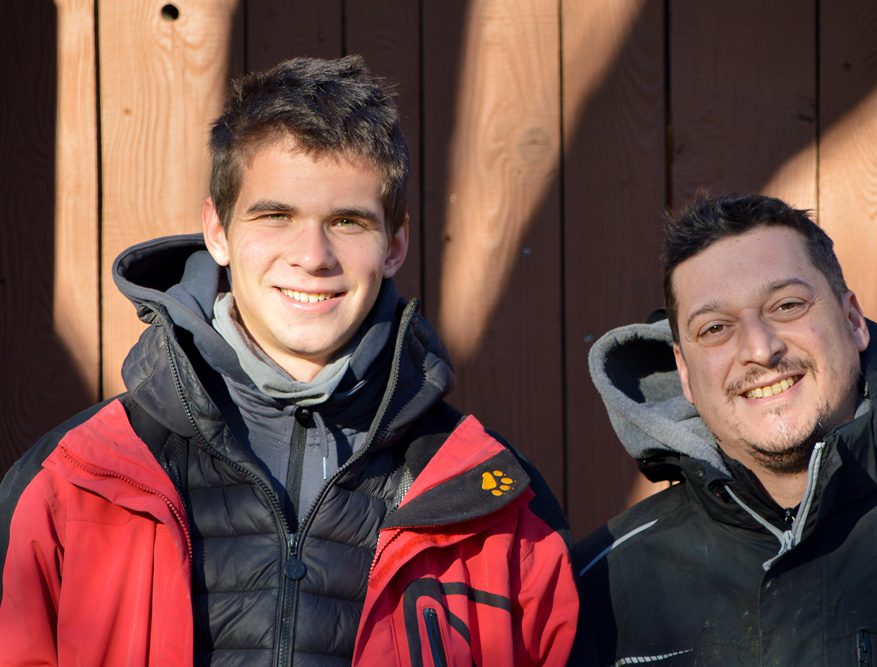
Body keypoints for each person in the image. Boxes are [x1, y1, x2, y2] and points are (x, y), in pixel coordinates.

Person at [0, 55, 577, 665]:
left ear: (395, 244)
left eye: (347, 222)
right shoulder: (79, 477)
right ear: (217, 230)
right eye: (276, 216)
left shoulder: (495, 502)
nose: (312, 256)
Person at [572, 193, 877, 665]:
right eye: (715, 328)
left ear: (853, 321)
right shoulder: (595, 590)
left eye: (787, 305)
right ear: (685, 373)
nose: (760, 349)